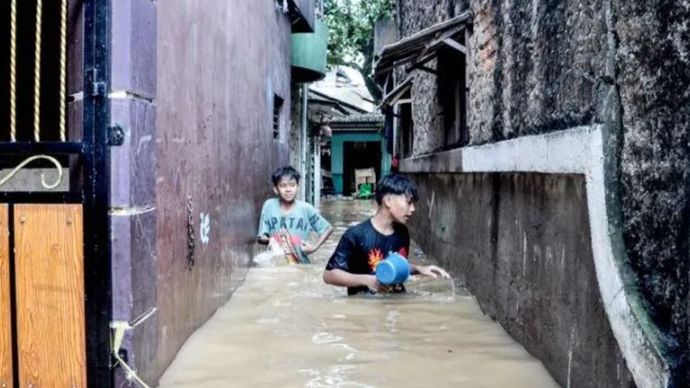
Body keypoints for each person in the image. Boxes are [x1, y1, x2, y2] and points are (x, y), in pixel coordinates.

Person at [323, 174, 450, 295]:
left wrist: (419, 269)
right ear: (388, 201)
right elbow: (329, 275)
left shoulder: (402, 233)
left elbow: (396, 266)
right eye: (408, 202)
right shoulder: (356, 235)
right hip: (366, 307)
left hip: (396, 303)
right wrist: (367, 280)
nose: (413, 209)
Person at [257, 166, 333, 263]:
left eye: (292, 185)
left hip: (301, 265)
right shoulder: (269, 206)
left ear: (298, 187)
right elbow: (260, 237)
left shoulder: (306, 209)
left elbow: (328, 229)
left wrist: (314, 247)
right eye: (283, 186)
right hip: (276, 265)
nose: (288, 189)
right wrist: (271, 240)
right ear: (276, 189)